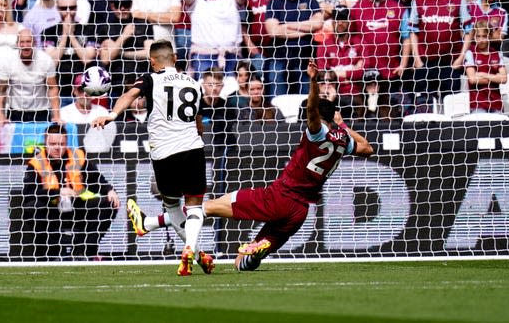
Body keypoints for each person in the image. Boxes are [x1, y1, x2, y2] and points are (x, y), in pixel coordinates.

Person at [128, 61, 373, 271]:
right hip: (300, 212)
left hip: (278, 197)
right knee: (240, 263)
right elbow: (368, 148)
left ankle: (149, 223)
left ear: (319, 118)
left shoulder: (317, 133)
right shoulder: (342, 141)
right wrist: (342, 125)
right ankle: (255, 251)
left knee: (206, 207)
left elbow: (311, 110)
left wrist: (312, 81)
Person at [92, 40, 215, 276]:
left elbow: (130, 95)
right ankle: (192, 249)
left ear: (152, 62)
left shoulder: (151, 78)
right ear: (175, 59)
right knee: (194, 205)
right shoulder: (194, 84)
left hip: (163, 153)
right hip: (192, 149)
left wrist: (112, 114)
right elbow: (199, 124)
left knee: (172, 206)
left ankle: (194, 252)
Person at [23, 123, 120, 259]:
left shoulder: (78, 156)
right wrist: (57, 192)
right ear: (45, 142)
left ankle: (85, 250)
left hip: (77, 206)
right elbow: (28, 194)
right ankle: (50, 253)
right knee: (32, 207)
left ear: (66, 142)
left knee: (109, 203)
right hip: (50, 210)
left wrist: (110, 190)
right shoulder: (36, 163)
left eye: (61, 144)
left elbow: (97, 180)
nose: (57, 147)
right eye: (53, 143)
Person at [0, 28, 61, 123]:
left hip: (41, 112)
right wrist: (0, 116)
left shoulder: (46, 60)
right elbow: (1, 90)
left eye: (28, 42)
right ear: (17, 44)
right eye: (22, 42)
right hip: (16, 112)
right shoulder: (7, 61)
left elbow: (52, 88)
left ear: (34, 43)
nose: (25, 45)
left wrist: (57, 116)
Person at [464, 21, 507, 114]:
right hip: (478, 105)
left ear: (489, 36)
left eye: (484, 36)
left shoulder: (497, 54)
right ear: (474, 37)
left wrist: (482, 74)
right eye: (478, 36)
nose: (481, 40)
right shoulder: (470, 53)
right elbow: (472, 79)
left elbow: (504, 79)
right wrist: (495, 78)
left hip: (496, 104)